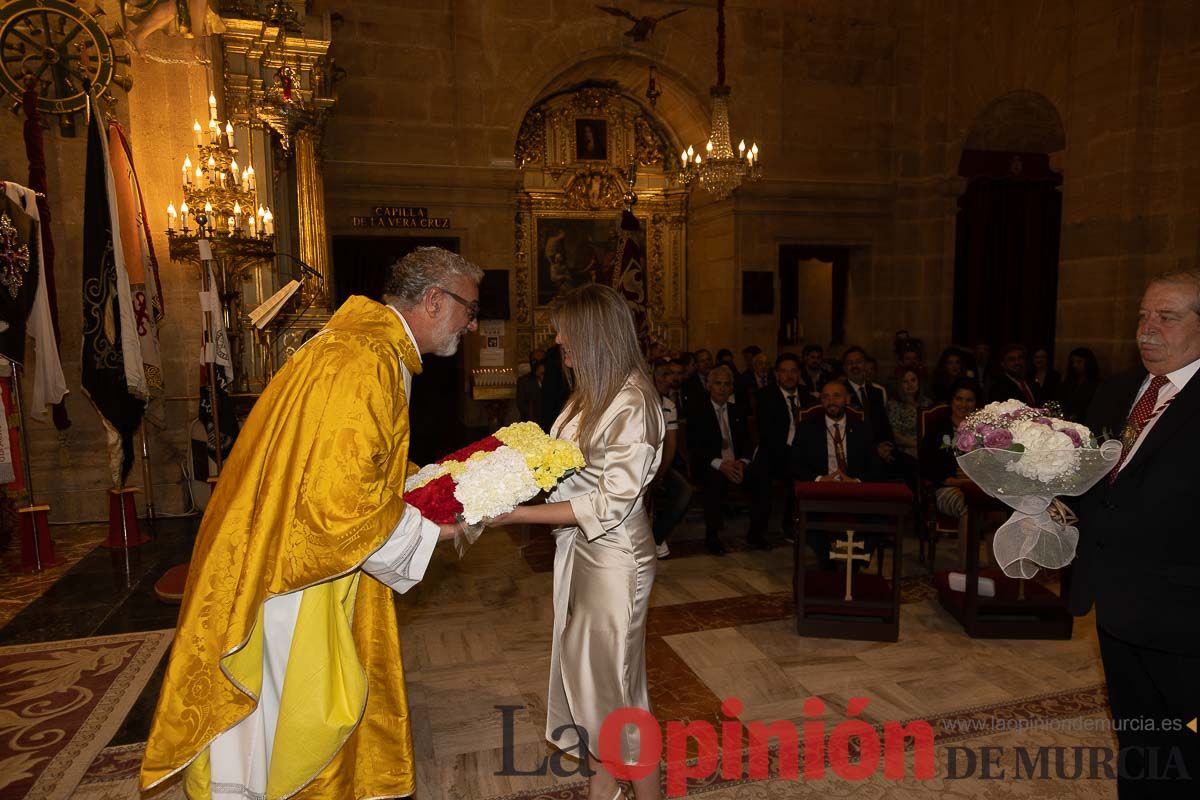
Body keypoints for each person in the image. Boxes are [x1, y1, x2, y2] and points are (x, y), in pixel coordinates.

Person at [140, 247, 482, 798]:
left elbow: (353, 459)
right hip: (296, 569)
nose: (471, 323)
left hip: (289, 542)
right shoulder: (365, 359)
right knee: (291, 708)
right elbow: (336, 501)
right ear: (435, 300)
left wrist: (429, 485)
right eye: (468, 309)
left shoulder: (359, 346)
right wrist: (428, 530)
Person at [485, 284, 665, 800]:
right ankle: (604, 791)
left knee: (619, 693)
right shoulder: (591, 392)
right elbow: (562, 467)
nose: (558, 337)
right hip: (584, 554)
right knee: (593, 686)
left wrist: (517, 514)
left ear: (594, 333)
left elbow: (609, 503)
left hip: (614, 561)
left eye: (565, 328)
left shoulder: (632, 402)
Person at [1072, 270, 1200, 798]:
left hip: (1187, 621)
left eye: (1166, 317)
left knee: (1190, 748)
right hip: (1117, 607)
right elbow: (1095, 487)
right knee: (1140, 744)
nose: (1148, 329)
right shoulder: (1117, 391)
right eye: (1143, 316)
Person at [791, 379, 885, 567]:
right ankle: (828, 562)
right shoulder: (807, 428)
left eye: (836, 395)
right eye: (825, 397)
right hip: (821, 491)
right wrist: (819, 480)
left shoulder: (862, 428)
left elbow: (876, 467)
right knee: (809, 518)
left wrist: (855, 481)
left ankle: (857, 560)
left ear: (847, 399)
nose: (831, 401)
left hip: (854, 490)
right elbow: (793, 464)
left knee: (880, 517)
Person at [687, 365, 753, 555]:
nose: (722, 388)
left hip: (737, 463)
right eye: (718, 384)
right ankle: (712, 537)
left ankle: (756, 534)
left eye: (727, 384)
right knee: (714, 481)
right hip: (710, 464)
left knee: (760, 476)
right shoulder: (697, 411)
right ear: (708, 386)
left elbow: (748, 443)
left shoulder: (737, 410)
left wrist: (742, 462)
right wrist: (721, 465)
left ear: (732, 388)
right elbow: (695, 448)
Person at [919, 379, 981, 569]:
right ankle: (967, 573)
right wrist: (961, 483)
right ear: (951, 401)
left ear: (976, 404)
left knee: (1001, 510)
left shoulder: (984, 430)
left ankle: (1002, 576)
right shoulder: (937, 430)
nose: (964, 405)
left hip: (981, 488)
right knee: (969, 508)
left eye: (969, 400)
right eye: (959, 399)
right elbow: (928, 468)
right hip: (947, 489)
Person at [746, 353, 804, 548]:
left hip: (801, 452)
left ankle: (796, 527)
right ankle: (756, 534)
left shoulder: (808, 396)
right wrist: (791, 452)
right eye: (784, 371)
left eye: (793, 371)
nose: (789, 376)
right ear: (777, 374)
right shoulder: (765, 395)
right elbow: (767, 433)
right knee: (761, 474)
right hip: (774, 450)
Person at [650, 358, 692, 559]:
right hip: (636, 465)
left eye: (670, 375)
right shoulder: (639, 402)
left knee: (684, 491)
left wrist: (660, 474)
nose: (668, 380)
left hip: (660, 465)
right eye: (663, 375)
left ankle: (655, 537)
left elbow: (671, 444)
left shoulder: (669, 405)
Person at [886, 367, 931, 459]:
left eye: (913, 380)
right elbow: (895, 436)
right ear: (900, 385)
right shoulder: (893, 405)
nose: (910, 384)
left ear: (919, 382)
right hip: (905, 450)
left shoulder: (928, 403)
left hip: (927, 447)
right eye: (905, 381)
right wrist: (918, 445)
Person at [1057, 346, 1101, 422]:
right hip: (1066, 421)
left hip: (1086, 422)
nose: (1075, 365)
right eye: (1073, 362)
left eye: (1079, 361)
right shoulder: (1069, 381)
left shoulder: (1096, 383)